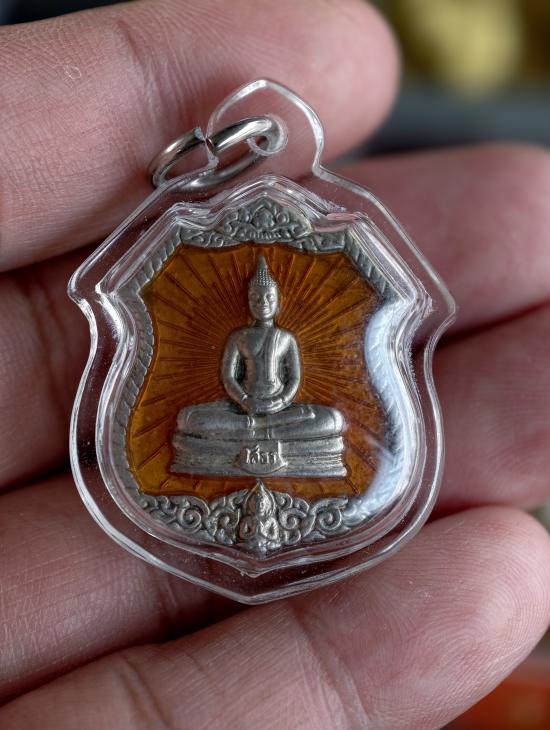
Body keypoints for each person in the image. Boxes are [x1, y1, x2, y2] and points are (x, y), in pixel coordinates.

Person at [0, 1, 548, 728]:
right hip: (233, 417)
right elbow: (232, 375)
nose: (261, 306)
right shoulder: (235, 329)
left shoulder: (285, 332)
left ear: (275, 302)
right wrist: (245, 400)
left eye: (267, 299)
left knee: (324, 420)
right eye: (256, 299)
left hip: (287, 420)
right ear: (249, 301)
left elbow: (287, 380)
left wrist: (274, 401)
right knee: (197, 418)